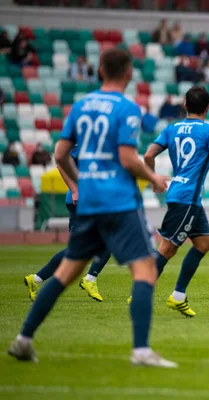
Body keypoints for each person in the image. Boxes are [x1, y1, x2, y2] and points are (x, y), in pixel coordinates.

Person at [7, 48, 175, 368]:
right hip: (120, 201)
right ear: (127, 73)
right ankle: (141, 350)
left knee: (65, 273)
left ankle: (24, 339)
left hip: (89, 201)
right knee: (145, 271)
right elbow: (127, 159)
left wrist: (79, 185)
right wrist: (153, 177)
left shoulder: (81, 106)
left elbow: (59, 154)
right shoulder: (127, 108)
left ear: (100, 71)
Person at [143, 86, 209, 317]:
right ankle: (141, 292)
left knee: (203, 244)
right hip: (188, 198)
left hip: (182, 195)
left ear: (185, 106)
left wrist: (153, 179)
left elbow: (148, 155)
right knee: (167, 248)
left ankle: (178, 296)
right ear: (208, 108)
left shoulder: (172, 128)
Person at [24, 143, 111, 303]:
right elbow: (61, 164)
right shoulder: (86, 139)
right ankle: (90, 279)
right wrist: (75, 190)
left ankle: (36, 279)